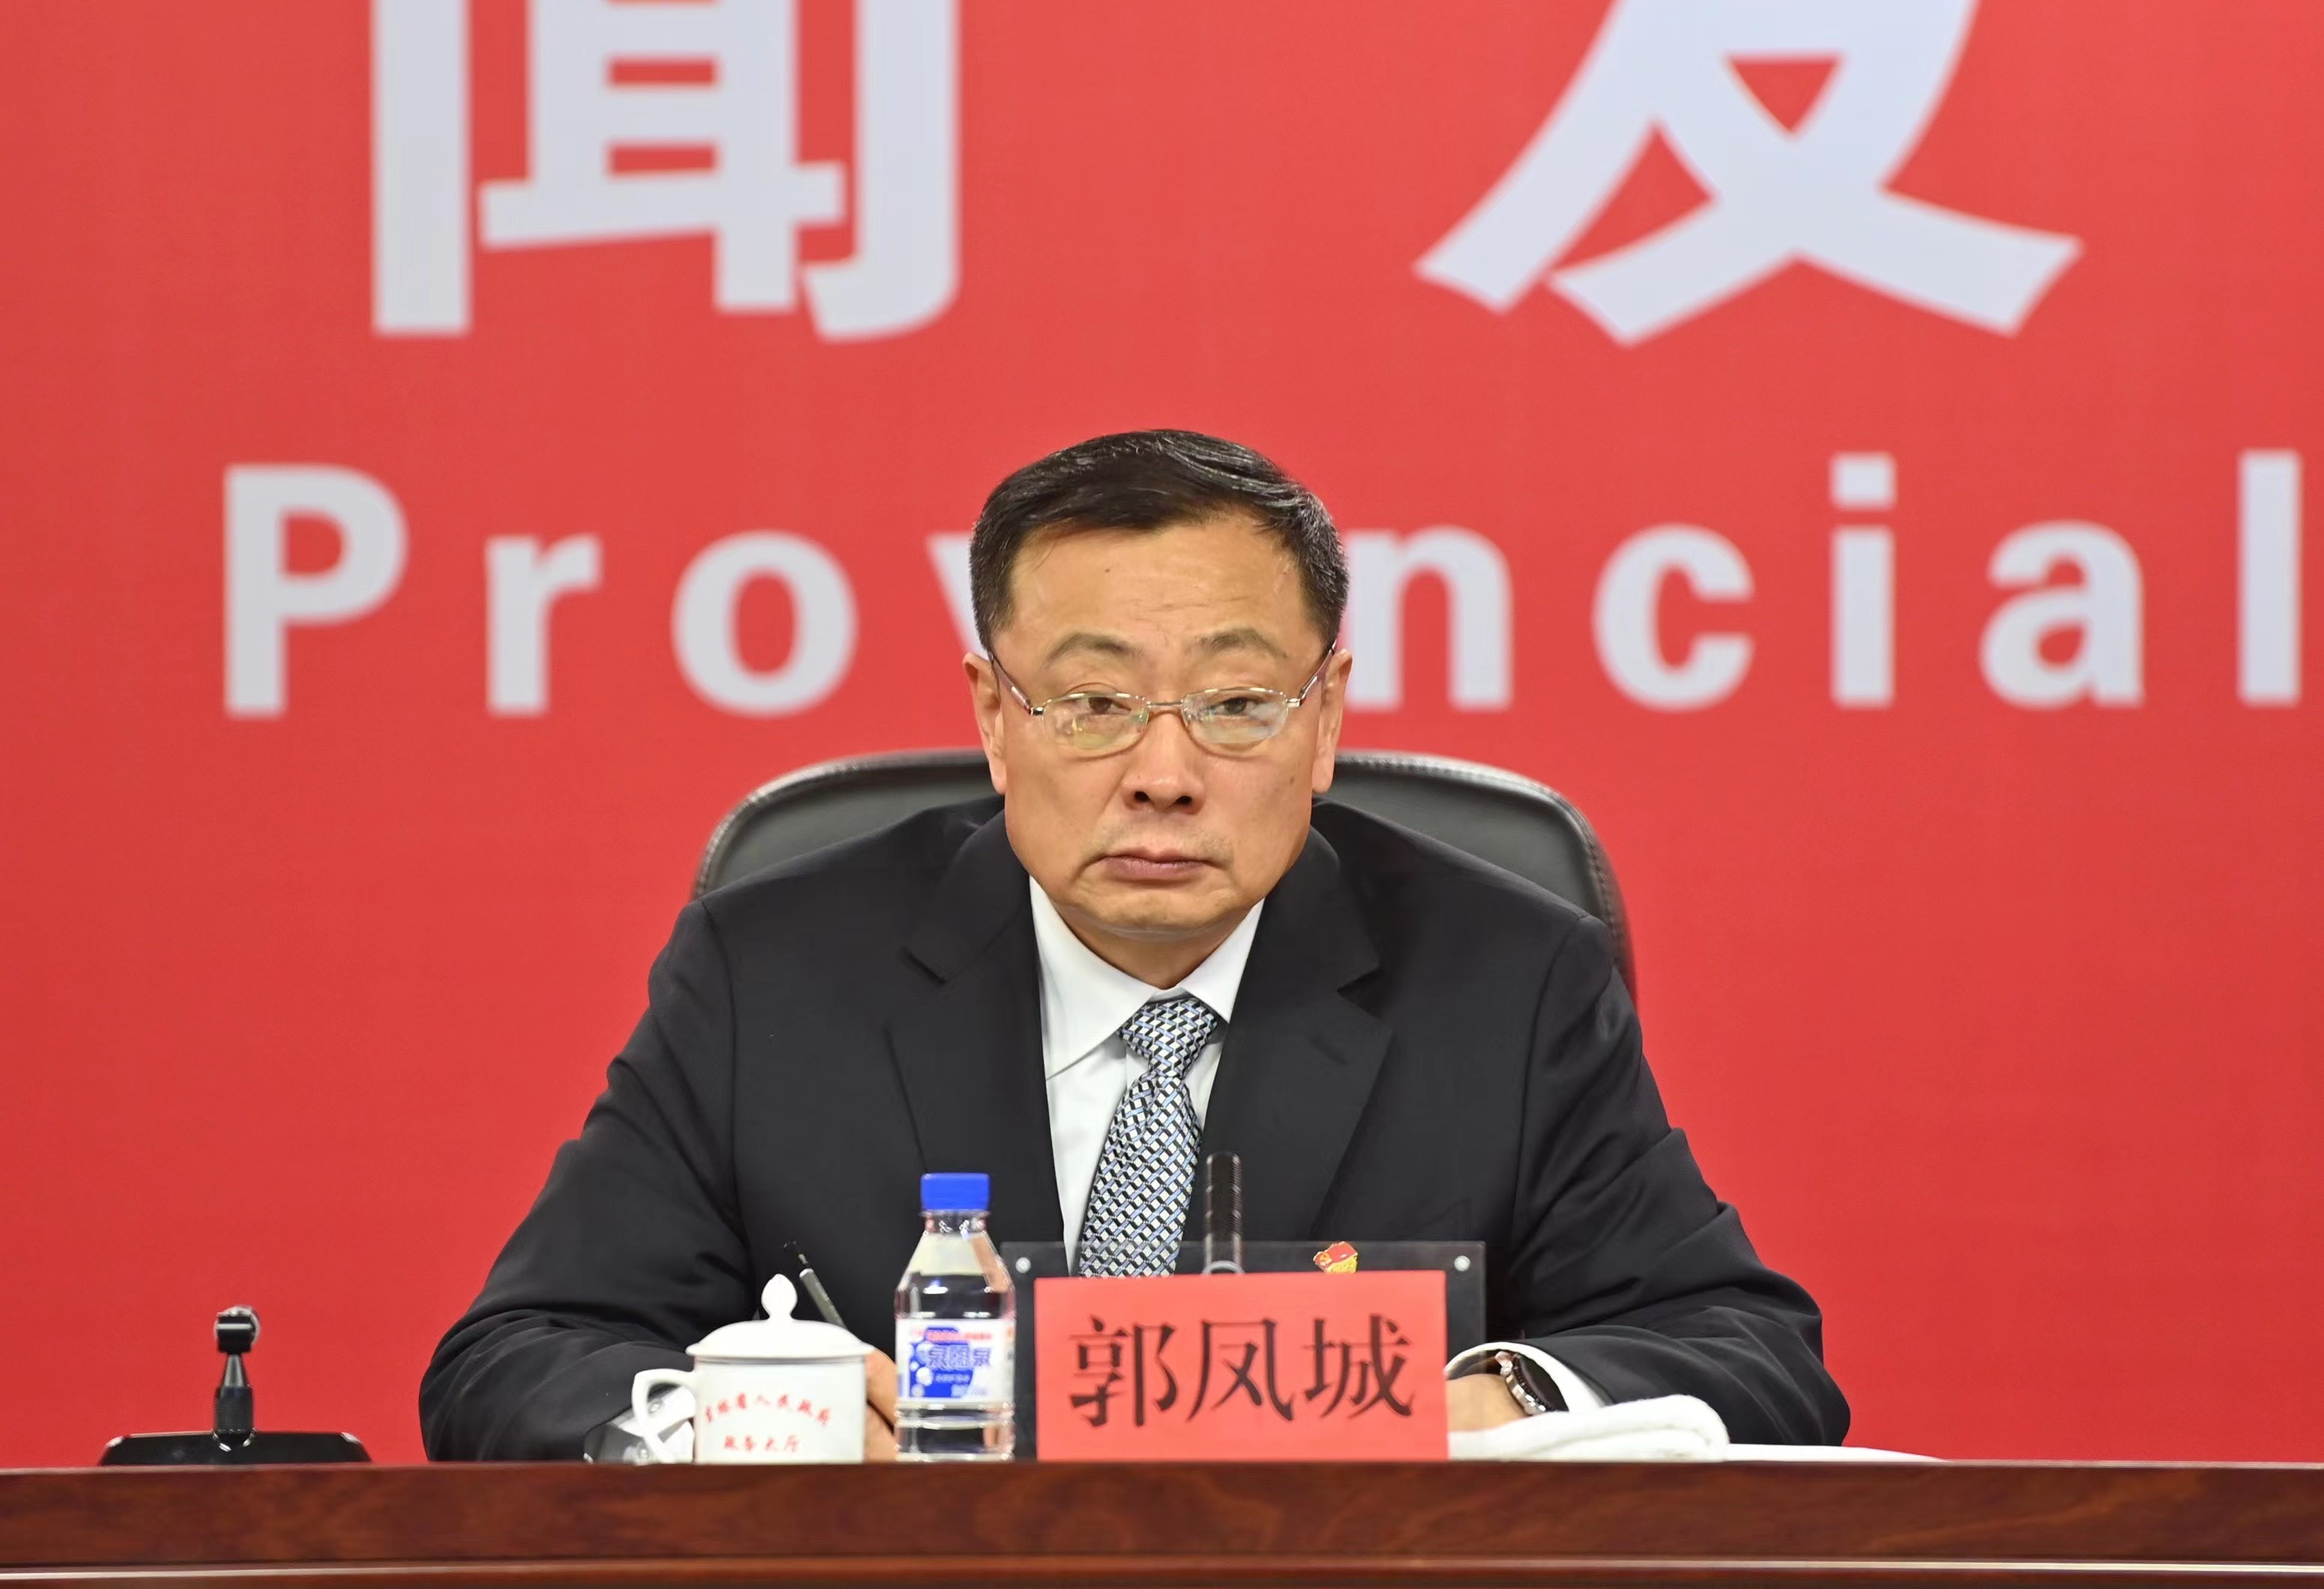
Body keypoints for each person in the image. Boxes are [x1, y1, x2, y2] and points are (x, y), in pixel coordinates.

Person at [420, 429, 1847, 1459]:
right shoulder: (774, 971)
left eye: (1234, 704)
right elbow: (517, 1360)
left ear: (1324, 718)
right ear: (994, 716)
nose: (1164, 775)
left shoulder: (1506, 981)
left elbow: (1752, 1356)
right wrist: (752, 1421)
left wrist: (1492, 1401)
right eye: (1094, 706)